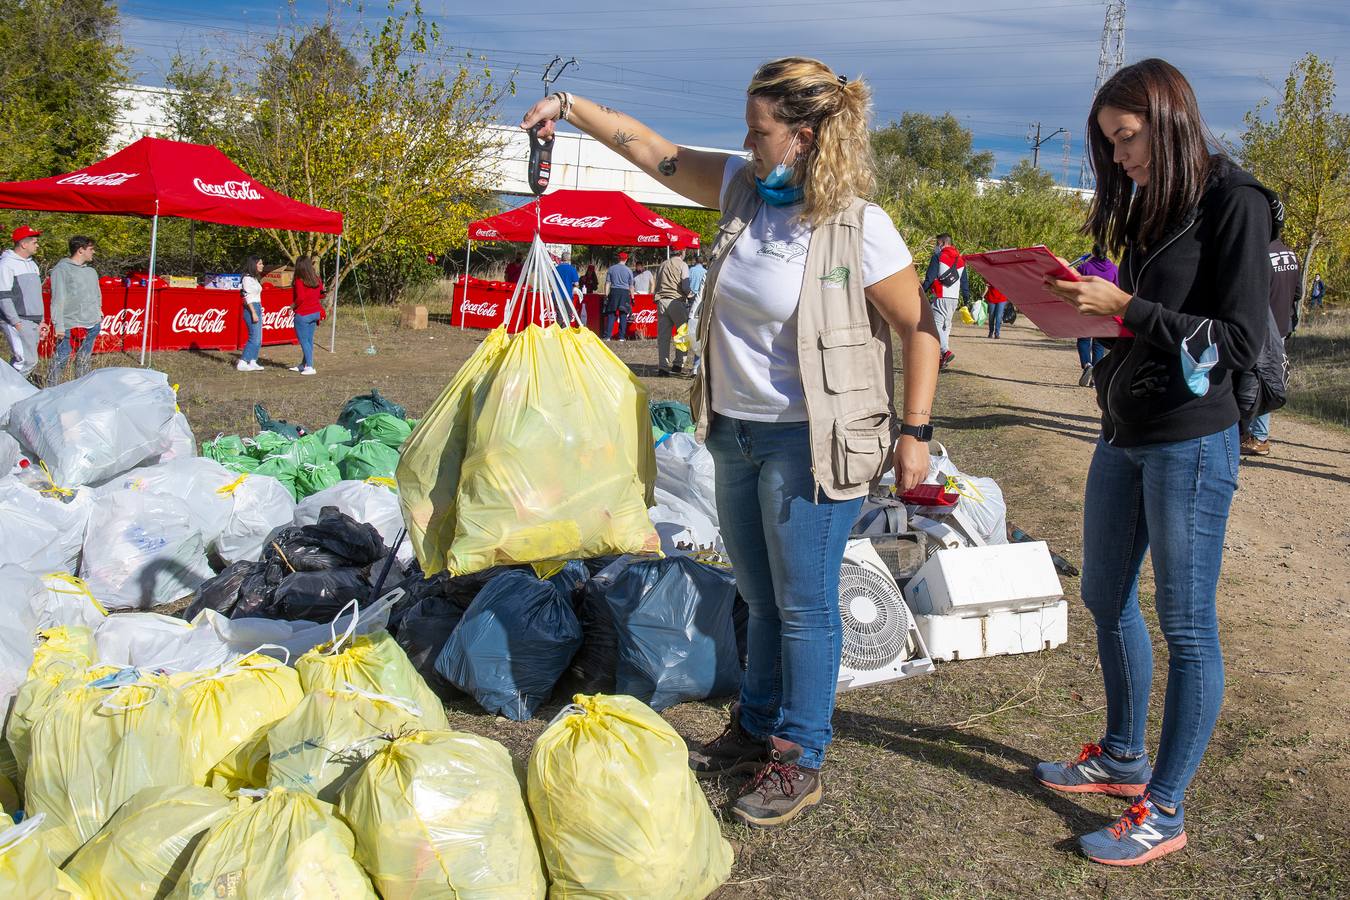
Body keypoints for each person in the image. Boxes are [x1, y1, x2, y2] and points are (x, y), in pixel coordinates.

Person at [523, 56, 940, 829]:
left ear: (805, 138)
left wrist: (914, 432)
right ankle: (755, 723)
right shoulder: (745, 192)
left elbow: (920, 329)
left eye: (760, 132)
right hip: (735, 432)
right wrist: (569, 106)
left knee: (804, 605)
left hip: (812, 443)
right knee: (757, 595)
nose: (748, 146)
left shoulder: (858, 225)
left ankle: (800, 756)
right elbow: (651, 149)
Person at [1040, 58, 1280, 866]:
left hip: (1193, 440)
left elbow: (1242, 341)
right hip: (1126, 430)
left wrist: (1129, 308)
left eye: (1128, 140)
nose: (1119, 159)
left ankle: (1165, 809)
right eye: (1109, 146)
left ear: (1171, 119)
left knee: (1187, 626)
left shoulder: (1236, 200)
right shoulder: (1151, 203)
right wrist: (1081, 305)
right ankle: (1120, 755)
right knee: (1104, 596)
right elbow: (1151, 322)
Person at [1238, 239, 1301, 456]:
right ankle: (1251, 433)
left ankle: (1258, 435)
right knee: (1269, 374)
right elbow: (1298, 293)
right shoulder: (1291, 254)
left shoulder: (1260, 256)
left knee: (1261, 378)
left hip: (1263, 327)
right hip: (1281, 326)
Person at [48, 236, 103, 386]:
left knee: (84, 360)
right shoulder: (62, 270)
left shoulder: (91, 271)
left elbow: (97, 294)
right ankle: (50, 390)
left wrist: (99, 312)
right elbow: (57, 299)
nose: (94, 252)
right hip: (69, 324)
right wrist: (58, 325)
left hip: (92, 323)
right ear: (80, 250)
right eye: (91, 249)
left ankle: (81, 390)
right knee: (61, 359)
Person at [0, 225, 44, 379]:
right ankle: (10, 394)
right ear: (23, 244)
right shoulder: (6, 264)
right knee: (26, 361)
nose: (37, 245)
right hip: (18, 320)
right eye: (34, 242)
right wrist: (15, 322)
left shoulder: (32, 264)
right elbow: (3, 296)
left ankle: (13, 393)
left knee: (25, 360)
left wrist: (42, 320)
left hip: (33, 321)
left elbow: (36, 295)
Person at [1074, 243, 1119, 386]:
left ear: (1093, 252)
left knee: (1083, 340)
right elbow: (1117, 289)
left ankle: (1087, 365)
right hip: (1104, 309)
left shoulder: (1085, 267)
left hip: (1087, 307)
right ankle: (1095, 377)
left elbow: (1074, 281)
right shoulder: (1113, 269)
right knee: (1099, 344)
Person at [921, 233, 968, 370]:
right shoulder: (960, 259)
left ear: (941, 243)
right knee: (946, 327)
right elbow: (964, 281)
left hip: (941, 295)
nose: (936, 247)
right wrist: (966, 299)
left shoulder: (938, 256)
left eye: (937, 244)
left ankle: (945, 351)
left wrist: (921, 291)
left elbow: (930, 277)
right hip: (954, 298)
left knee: (936, 325)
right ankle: (942, 358)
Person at [654, 248, 692, 374]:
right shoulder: (683, 264)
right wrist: (691, 295)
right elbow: (685, 286)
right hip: (676, 301)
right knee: (682, 334)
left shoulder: (663, 264)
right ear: (682, 252)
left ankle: (663, 367)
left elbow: (657, 282)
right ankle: (678, 364)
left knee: (663, 337)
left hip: (662, 301)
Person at [289, 255, 325, 375]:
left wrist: (292, 306)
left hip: (303, 314)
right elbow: (321, 295)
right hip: (315, 312)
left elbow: (301, 298)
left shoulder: (299, 280)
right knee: (309, 341)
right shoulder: (317, 279)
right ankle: (303, 365)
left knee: (304, 341)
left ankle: (310, 366)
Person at [238, 256, 266, 372]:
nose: (262, 266)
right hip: (251, 308)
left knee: (259, 338)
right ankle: (243, 361)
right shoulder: (246, 279)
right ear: (254, 265)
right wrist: (254, 312)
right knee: (254, 337)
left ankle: (253, 360)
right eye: (260, 264)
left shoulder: (254, 278)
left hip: (257, 306)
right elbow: (247, 296)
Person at [602, 251, 634, 340]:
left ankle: (608, 336)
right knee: (623, 315)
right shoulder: (629, 270)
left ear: (618, 258)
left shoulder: (611, 269)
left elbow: (607, 283)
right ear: (626, 259)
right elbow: (631, 285)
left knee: (611, 314)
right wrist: (632, 297)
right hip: (624, 293)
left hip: (614, 292)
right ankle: (621, 337)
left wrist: (606, 295)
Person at [554, 247, 580, 318]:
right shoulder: (572, 269)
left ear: (561, 259)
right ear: (569, 259)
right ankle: (565, 329)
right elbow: (576, 284)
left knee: (559, 316)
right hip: (567, 295)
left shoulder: (556, 269)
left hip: (556, 295)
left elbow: (551, 282)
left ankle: (558, 329)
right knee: (568, 315)